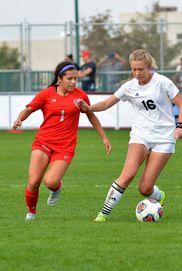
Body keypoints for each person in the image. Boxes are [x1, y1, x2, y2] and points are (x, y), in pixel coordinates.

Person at [77, 49, 182, 222]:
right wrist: (88, 108)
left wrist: (179, 126)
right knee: (127, 174)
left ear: (149, 67)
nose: (137, 73)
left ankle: (159, 196)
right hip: (140, 135)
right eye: (134, 69)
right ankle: (102, 215)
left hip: (164, 138)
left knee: (144, 188)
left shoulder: (162, 82)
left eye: (141, 69)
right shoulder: (129, 86)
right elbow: (106, 103)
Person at [12, 61, 112, 221]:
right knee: (33, 182)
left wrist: (104, 137)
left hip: (65, 147)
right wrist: (19, 119)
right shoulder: (46, 94)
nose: (73, 82)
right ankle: (31, 213)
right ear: (59, 79)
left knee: (51, 182)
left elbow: (91, 115)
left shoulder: (80, 96)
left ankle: (56, 189)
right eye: (70, 78)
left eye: (75, 79)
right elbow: (28, 109)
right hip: (43, 142)